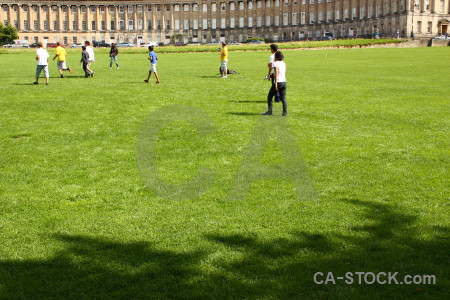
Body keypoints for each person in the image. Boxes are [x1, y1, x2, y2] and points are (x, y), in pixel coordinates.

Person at [261, 51, 287, 117]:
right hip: (284, 82)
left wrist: (275, 84)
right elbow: (270, 65)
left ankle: (269, 112)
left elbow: (276, 73)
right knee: (283, 98)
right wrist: (270, 65)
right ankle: (284, 113)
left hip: (278, 82)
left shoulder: (275, 63)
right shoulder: (283, 63)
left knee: (269, 97)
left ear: (276, 57)